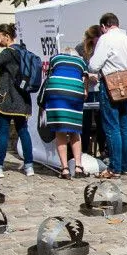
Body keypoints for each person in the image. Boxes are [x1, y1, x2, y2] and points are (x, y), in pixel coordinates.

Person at [88, 12, 127, 179]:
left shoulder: (106, 39)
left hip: (110, 85)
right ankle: (125, 166)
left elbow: (94, 65)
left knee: (112, 128)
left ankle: (114, 168)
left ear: (104, 26)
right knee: (125, 126)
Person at [44, 29, 94, 180]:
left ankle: (64, 169)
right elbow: (85, 84)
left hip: (56, 93)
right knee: (75, 130)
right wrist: (84, 93)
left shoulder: (55, 58)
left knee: (60, 132)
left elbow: (49, 75)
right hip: (74, 94)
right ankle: (78, 167)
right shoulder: (81, 61)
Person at [0, 23, 33, 177]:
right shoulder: (23, 51)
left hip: (7, 99)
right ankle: (29, 166)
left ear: (6, 36)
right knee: (23, 131)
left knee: (3, 132)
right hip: (22, 98)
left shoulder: (8, 52)